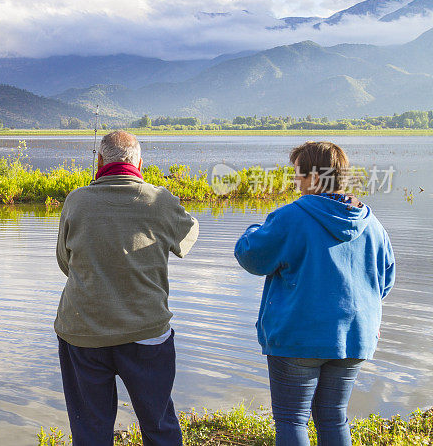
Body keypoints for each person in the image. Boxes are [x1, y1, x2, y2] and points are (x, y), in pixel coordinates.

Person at [234, 141, 395, 446]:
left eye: (297, 172)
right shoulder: (372, 224)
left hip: (298, 338)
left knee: (292, 418)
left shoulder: (293, 216)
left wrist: (251, 230)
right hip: (354, 338)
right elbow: (384, 282)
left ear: (314, 177)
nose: (294, 180)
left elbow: (252, 256)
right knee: (333, 416)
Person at [55, 130, 199, 446]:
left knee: (90, 428)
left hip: (83, 330)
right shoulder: (160, 200)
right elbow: (188, 236)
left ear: (100, 161)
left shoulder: (76, 200)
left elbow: (65, 262)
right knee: (158, 423)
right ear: (139, 163)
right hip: (147, 331)